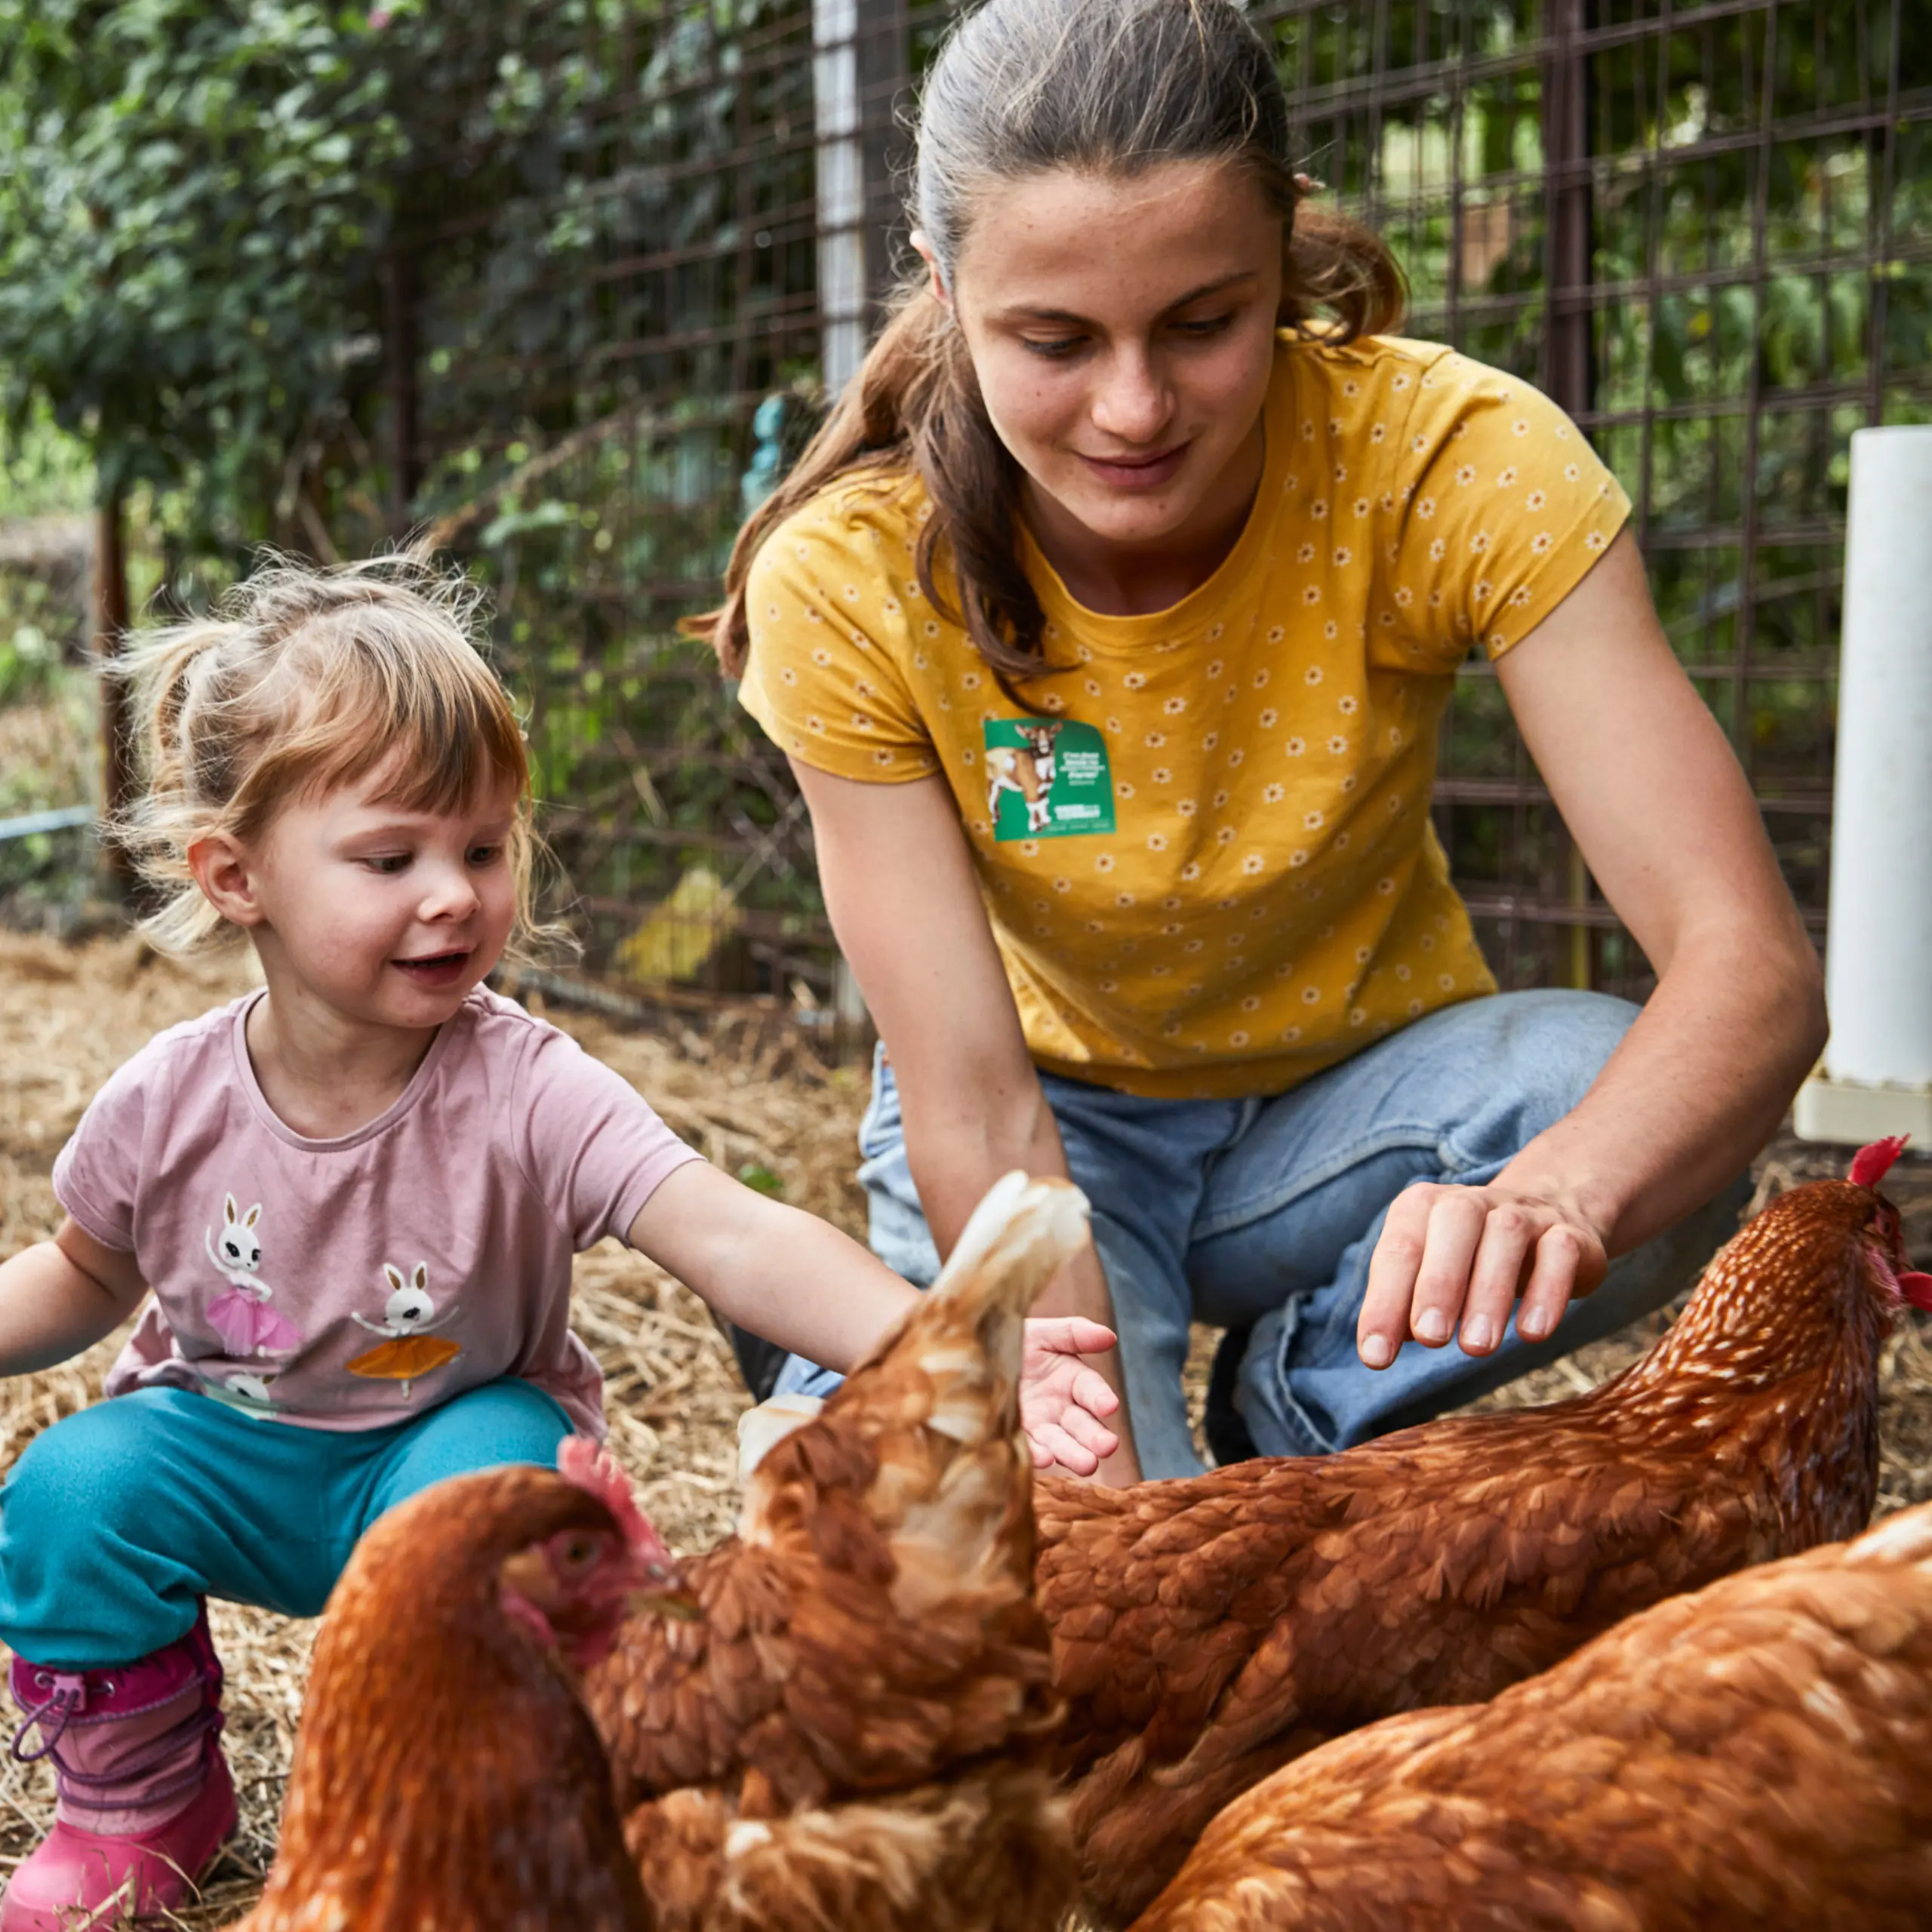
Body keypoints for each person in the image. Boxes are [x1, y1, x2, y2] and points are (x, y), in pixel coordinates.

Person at [714, 0, 1826, 1486]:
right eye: (1051, 338)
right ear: (941, 284)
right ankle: (868, 1352)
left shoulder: (1452, 459)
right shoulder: (848, 578)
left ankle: (1289, 1424)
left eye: (1201, 321)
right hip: (1045, 1140)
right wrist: (1129, 1522)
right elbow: (976, 1108)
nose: (1133, 407)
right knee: (1095, 1597)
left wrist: (1552, 1198)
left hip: (1346, 1117)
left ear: (1284, 245)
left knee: (1623, 1111)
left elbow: (1749, 974)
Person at [0, 554, 1119, 1930]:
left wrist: (941, 1348)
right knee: (68, 1492)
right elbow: (80, 1278)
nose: (456, 895)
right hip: (234, 1456)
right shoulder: (165, 1102)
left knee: (522, 1474)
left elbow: (732, 1233)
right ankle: (143, 1802)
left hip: (442, 1452)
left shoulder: (525, 1085)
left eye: (482, 848)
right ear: (237, 877)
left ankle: (461, 1814)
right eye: (391, 857)